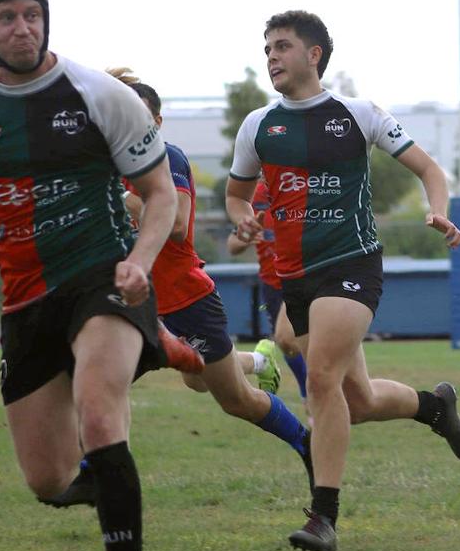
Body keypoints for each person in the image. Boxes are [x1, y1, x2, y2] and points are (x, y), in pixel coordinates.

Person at [0, 0, 200, 551]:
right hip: (26, 304)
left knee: (100, 416)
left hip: (103, 279)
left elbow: (161, 197)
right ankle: (141, 377)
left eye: (31, 14)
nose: (22, 28)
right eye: (6, 17)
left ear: (46, 18)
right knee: (47, 481)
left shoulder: (99, 94)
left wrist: (141, 259)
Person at [226, 9, 460, 551]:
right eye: (267, 49)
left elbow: (431, 170)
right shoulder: (257, 126)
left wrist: (438, 212)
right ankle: (435, 407)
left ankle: (324, 519)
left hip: (352, 265)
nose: (271, 58)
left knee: (322, 381)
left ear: (314, 55)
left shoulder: (360, 115)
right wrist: (242, 214)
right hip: (296, 279)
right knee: (354, 400)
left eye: (282, 47)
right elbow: (237, 192)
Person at [110, 70, 314, 491]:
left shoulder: (168, 158)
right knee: (100, 381)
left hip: (186, 302)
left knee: (231, 397)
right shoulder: (108, 167)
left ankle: (307, 443)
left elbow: (175, 221)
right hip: (134, 303)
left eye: (141, 117)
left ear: (158, 123)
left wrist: (112, 192)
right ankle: (97, 476)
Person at [227, 179, 310, 408]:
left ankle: (313, 396)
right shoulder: (255, 195)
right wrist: (245, 236)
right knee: (288, 344)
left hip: (306, 276)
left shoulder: (306, 184)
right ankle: (308, 391)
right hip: (272, 283)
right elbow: (232, 244)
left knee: (290, 338)